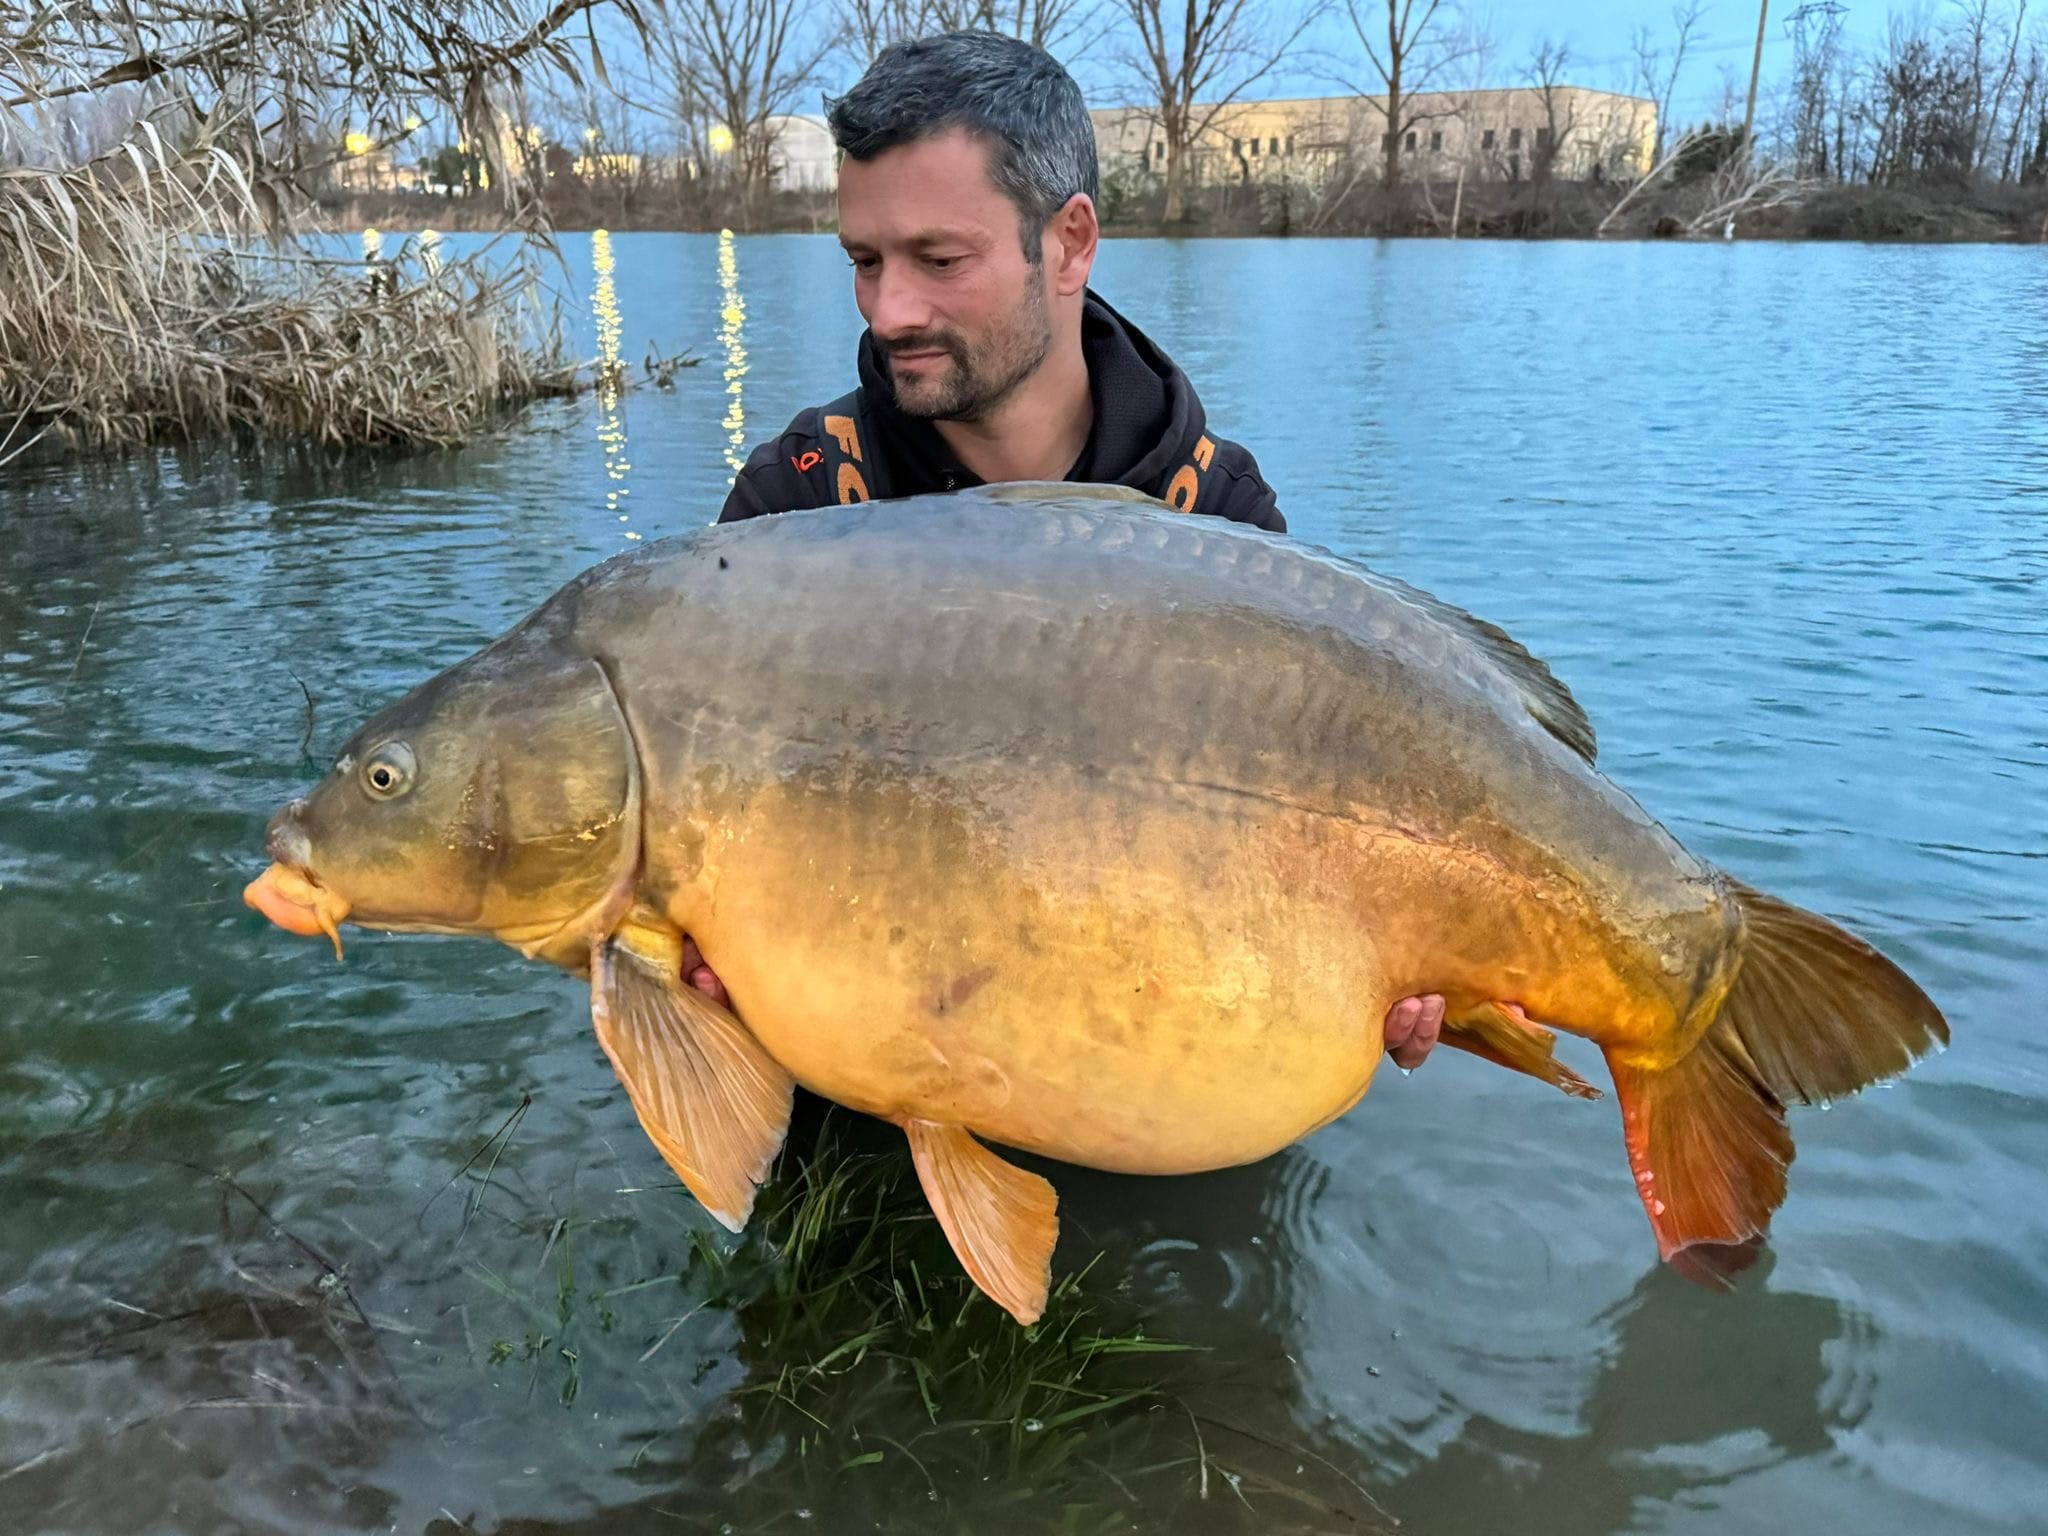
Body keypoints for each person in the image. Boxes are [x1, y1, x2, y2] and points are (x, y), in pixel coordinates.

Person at [696, 30, 1445, 1070]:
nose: (888, 311)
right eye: (864, 261)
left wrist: (1384, 965)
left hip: (1137, 1052)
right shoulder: (795, 503)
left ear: (1070, 241)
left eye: (938, 259)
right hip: (876, 1060)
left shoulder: (1216, 513)